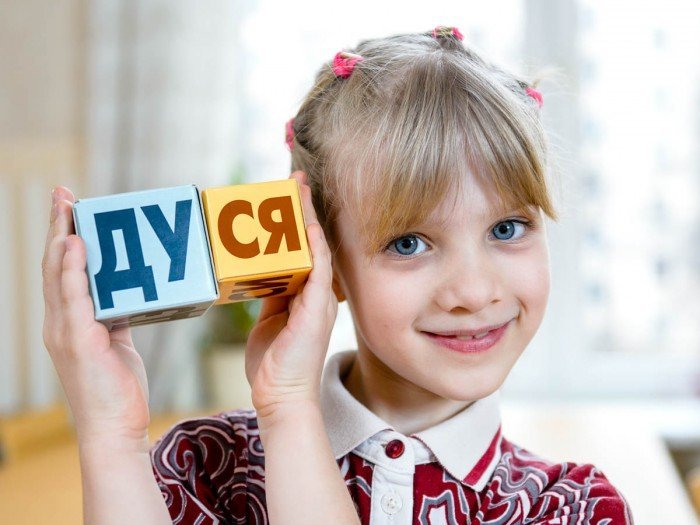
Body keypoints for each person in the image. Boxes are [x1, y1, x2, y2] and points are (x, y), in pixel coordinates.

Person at [42, 26, 635, 524]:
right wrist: (112, 436)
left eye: (507, 229)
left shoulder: (575, 508)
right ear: (325, 259)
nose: (475, 291)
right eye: (409, 242)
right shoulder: (207, 467)